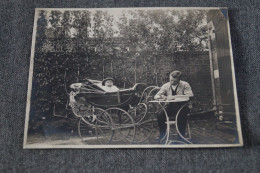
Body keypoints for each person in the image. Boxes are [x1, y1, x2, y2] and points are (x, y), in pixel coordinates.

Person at [154, 71, 194, 143]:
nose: (172, 82)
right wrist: (161, 97)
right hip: (171, 106)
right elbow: (156, 95)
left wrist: (173, 97)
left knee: (181, 116)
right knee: (160, 116)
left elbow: (190, 96)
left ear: (179, 80)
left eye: (175, 81)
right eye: (171, 80)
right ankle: (163, 135)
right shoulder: (166, 85)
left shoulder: (185, 84)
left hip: (183, 106)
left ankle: (180, 138)